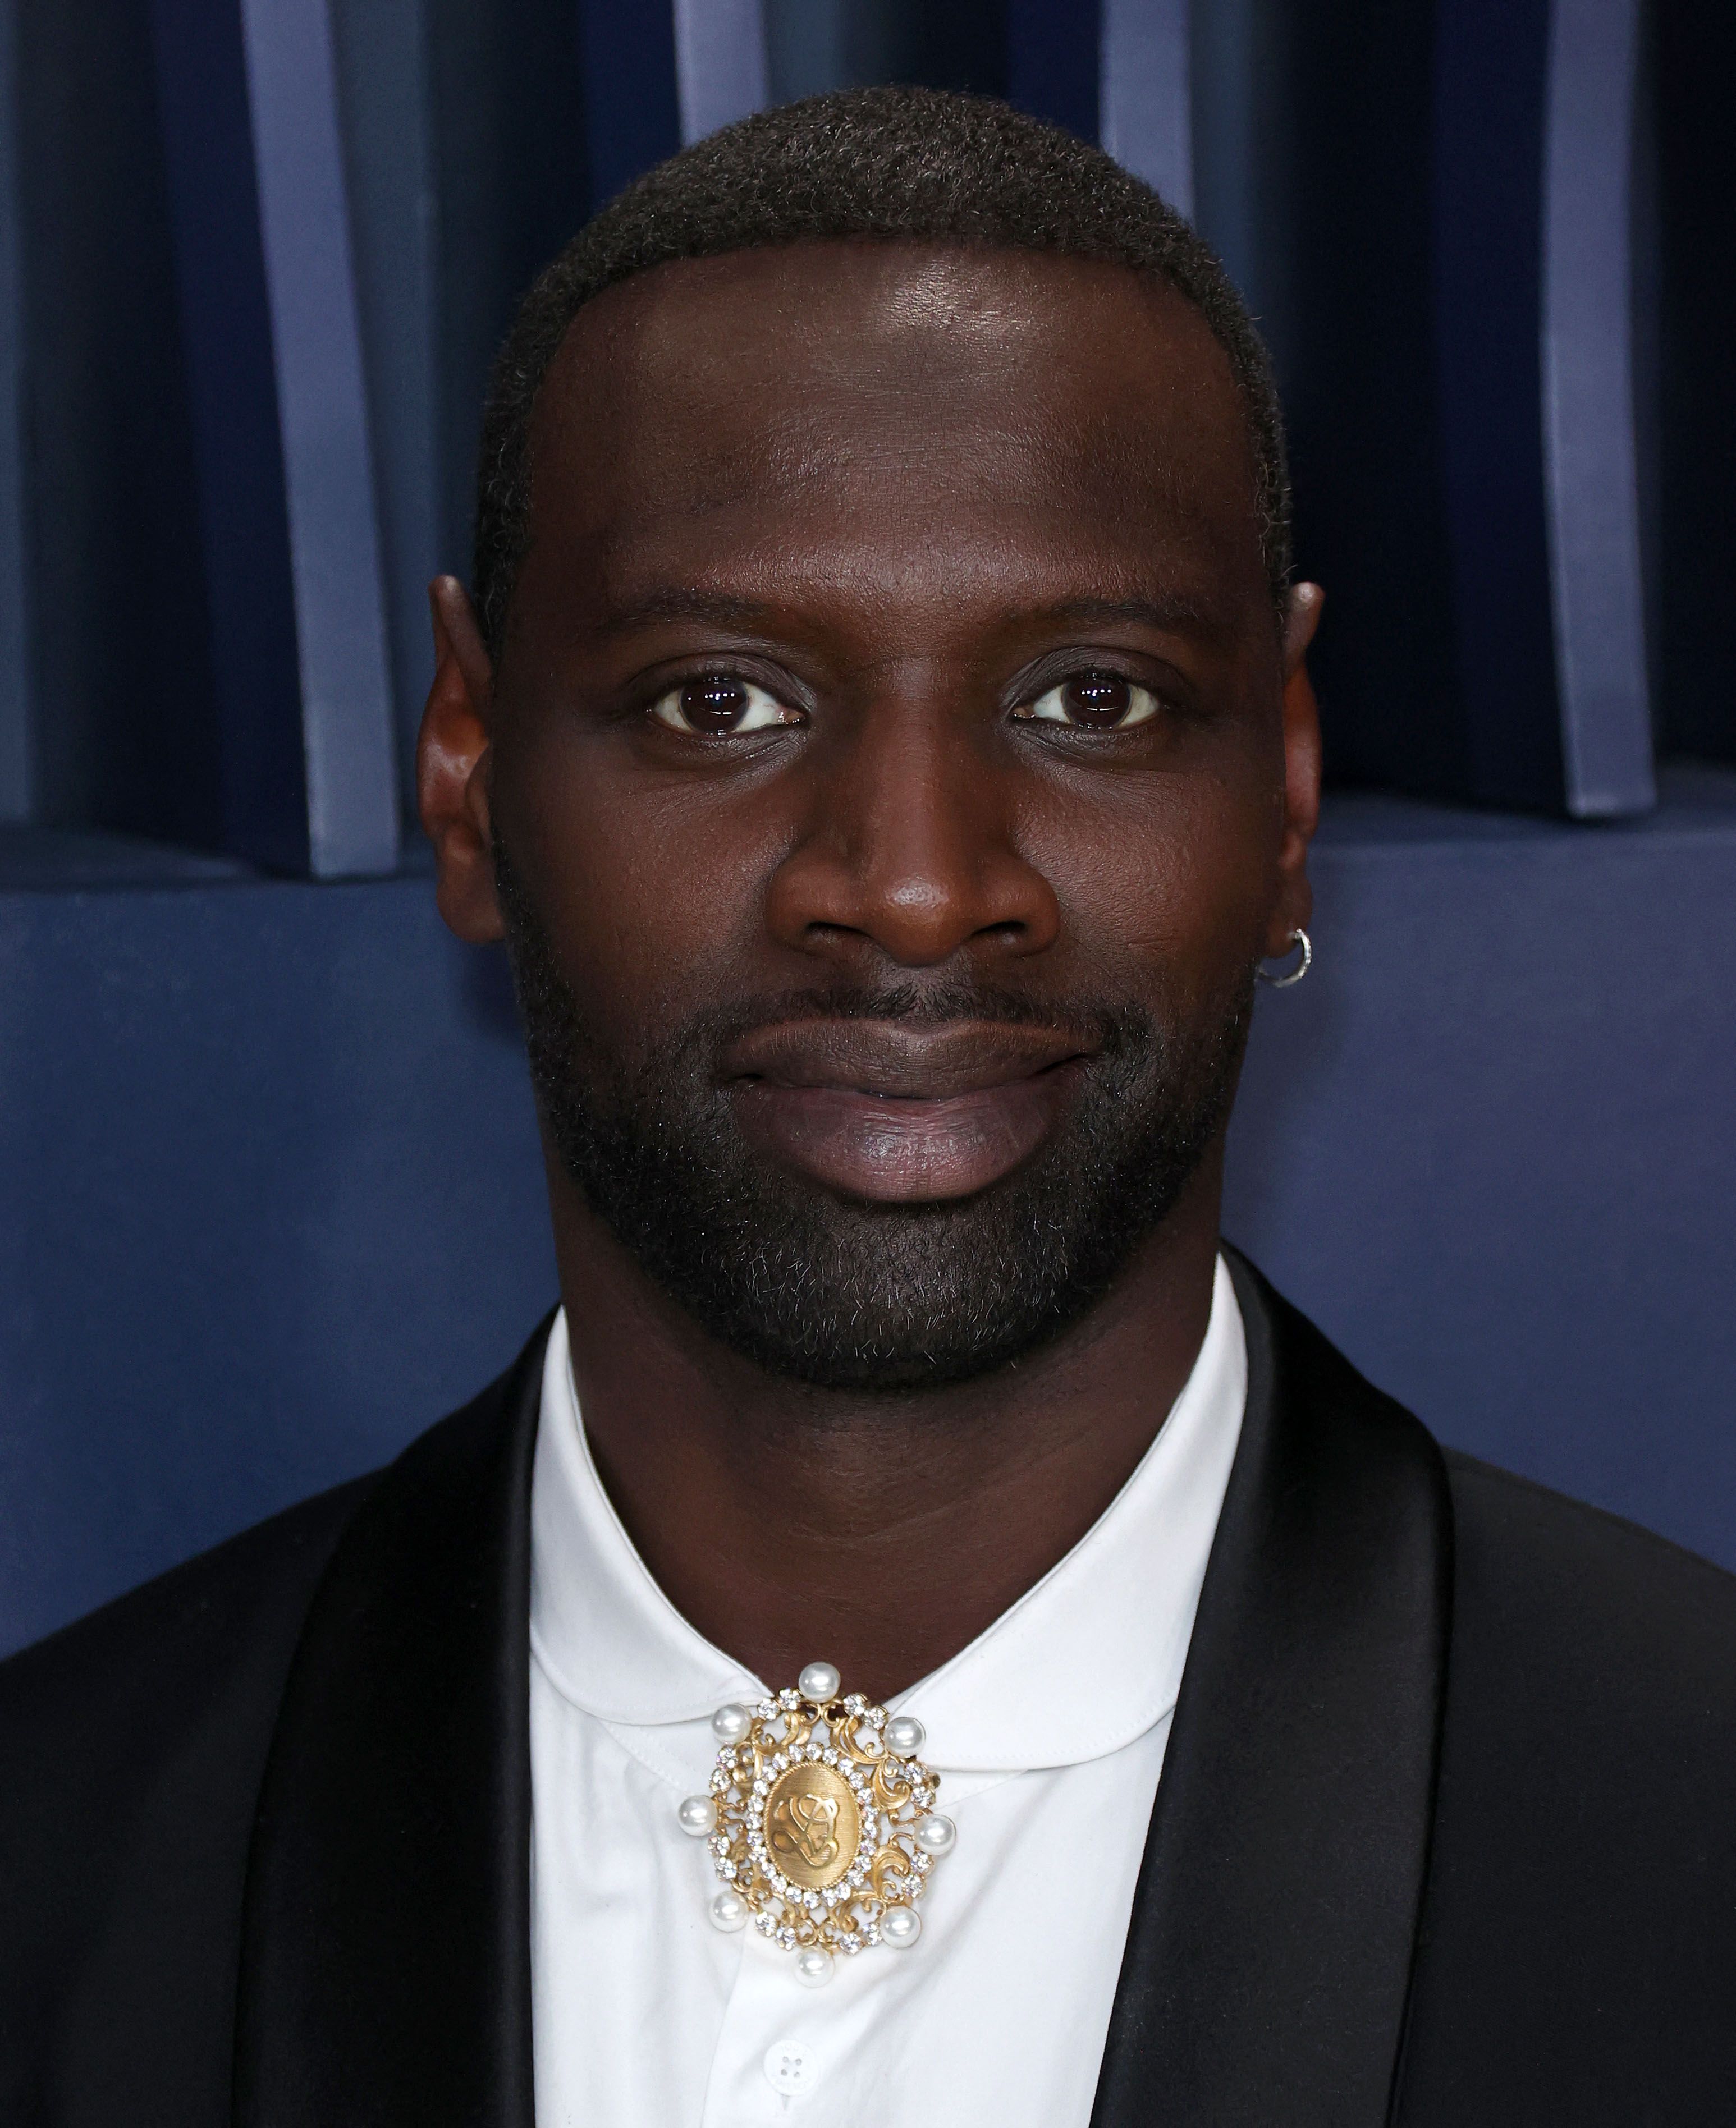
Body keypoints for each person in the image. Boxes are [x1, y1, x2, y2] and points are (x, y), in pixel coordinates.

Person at [3, 86, 1733, 2128]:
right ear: (468, 774)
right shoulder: (61, 1859)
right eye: (721, 699)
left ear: (1281, 788)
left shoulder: (1685, 1830)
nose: (914, 884)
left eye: (1091, 697)